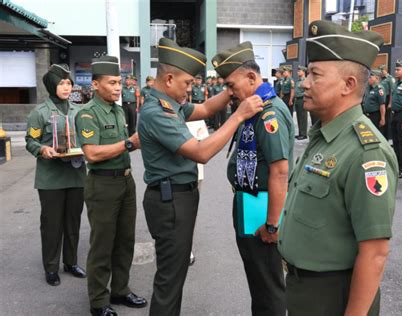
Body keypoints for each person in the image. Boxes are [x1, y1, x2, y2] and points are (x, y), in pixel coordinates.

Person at [278, 20, 398, 316]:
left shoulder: (366, 152)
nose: (304, 83)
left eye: (314, 75)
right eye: (306, 74)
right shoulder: (324, 136)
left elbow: (374, 253)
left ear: (348, 85)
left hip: (332, 296)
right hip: (302, 288)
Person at [137, 38, 264, 316]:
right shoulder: (157, 111)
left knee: (176, 272)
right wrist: (239, 116)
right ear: (169, 79)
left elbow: (205, 109)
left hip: (178, 197)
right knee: (170, 278)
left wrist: (234, 89)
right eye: (187, 83)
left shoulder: (169, 103)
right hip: (170, 201)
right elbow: (201, 152)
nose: (190, 88)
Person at [212, 41, 294, 316]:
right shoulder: (254, 107)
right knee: (258, 280)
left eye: (232, 85)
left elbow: (280, 172)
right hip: (249, 204)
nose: (230, 92)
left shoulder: (269, 112)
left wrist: (272, 226)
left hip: (262, 209)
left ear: (251, 77)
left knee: (268, 284)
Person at [75, 56, 147, 316]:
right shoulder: (87, 114)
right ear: (95, 85)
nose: (118, 87)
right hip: (102, 184)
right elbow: (92, 154)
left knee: (125, 241)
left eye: (119, 83)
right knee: (102, 245)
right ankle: (98, 302)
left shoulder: (117, 110)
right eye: (112, 83)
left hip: (126, 181)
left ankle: (120, 289)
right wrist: (129, 144)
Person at [25, 64, 87, 286]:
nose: (66, 87)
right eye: (61, 83)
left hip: (77, 175)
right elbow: (30, 141)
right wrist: (42, 149)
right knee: (51, 224)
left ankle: (71, 262)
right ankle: (51, 267)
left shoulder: (79, 111)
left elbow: (87, 138)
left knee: (73, 221)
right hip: (51, 178)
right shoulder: (39, 113)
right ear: (52, 85)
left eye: (69, 83)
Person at [362, 69, 386, 134]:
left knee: (374, 134)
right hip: (366, 115)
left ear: (377, 78)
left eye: (370, 77)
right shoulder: (368, 87)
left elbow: (382, 105)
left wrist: (382, 118)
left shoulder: (379, 89)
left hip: (375, 116)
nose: (368, 79)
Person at [379, 64, 396, 140]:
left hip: (387, 99)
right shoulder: (380, 79)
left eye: (382, 71)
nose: (381, 73)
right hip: (381, 99)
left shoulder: (390, 79)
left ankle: (386, 138)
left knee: (386, 119)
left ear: (385, 70)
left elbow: (392, 91)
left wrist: (390, 103)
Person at [294, 65, 308, 140]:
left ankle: (304, 134)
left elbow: (306, 91)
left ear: (303, 72)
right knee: (299, 117)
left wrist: (300, 95)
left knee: (303, 117)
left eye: (299, 71)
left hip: (302, 99)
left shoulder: (305, 81)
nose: (297, 72)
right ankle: (300, 133)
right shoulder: (298, 81)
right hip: (297, 100)